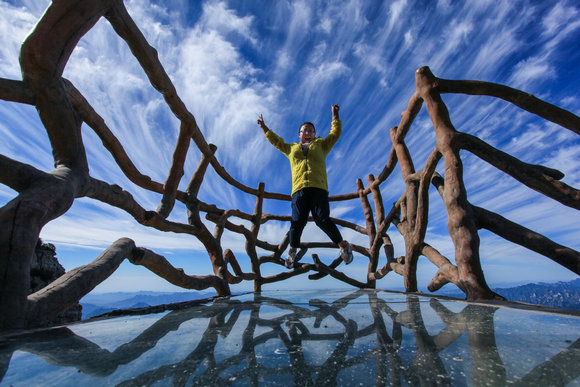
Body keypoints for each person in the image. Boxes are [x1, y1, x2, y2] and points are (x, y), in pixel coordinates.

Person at [257, 104, 353, 269]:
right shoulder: (291, 148)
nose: (308, 132)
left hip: (318, 188)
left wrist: (335, 116)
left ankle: (343, 245)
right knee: (297, 222)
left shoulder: (322, 145)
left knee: (322, 219)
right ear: (299, 134)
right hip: (299, 190)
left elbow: (335, 133)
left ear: (314, 134)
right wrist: (265, 127)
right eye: (304, 130)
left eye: (311, 130)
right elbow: (276, 141)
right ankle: (293, 250)